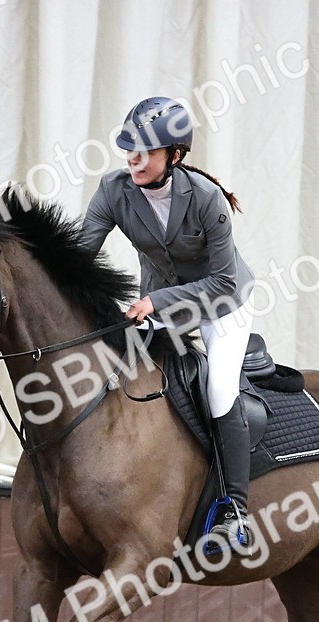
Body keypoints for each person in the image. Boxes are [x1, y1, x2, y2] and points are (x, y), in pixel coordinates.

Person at [80, 96, 257, 550]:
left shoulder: (206, 199)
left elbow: (222, 281)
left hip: (223, 303)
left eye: (146, 151)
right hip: (159, 306)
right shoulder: (114, 191)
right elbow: (78, 257)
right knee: (119, 373)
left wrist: (155, 302)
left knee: (219, 388)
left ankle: (234, 508)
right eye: (129, 149)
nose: (133, 159)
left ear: (174, 156)